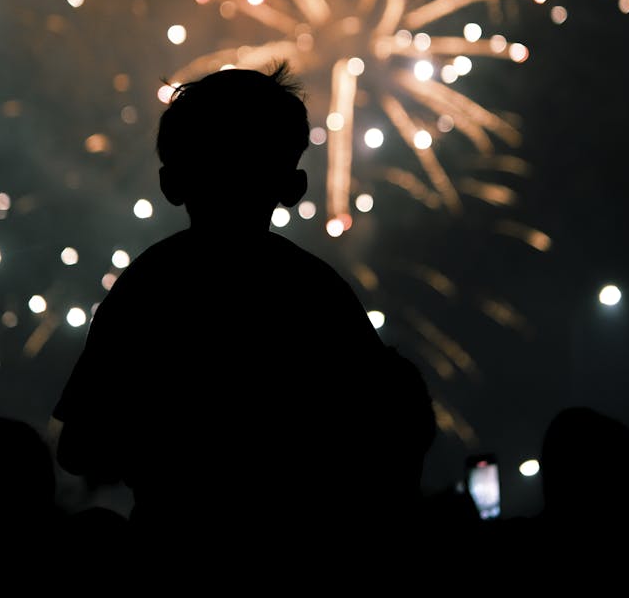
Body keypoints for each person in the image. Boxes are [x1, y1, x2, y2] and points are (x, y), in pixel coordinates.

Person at [53, 63, 436, 576]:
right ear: (293, 185)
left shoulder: (147, 287)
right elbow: (391, 432)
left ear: (171, 183)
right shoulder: (318, 294)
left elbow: (82, 450)